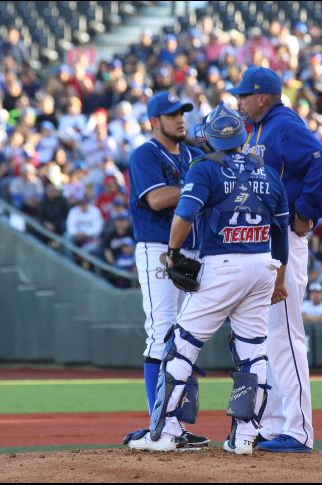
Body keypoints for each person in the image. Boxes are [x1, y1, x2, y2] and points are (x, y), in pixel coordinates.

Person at [125, 103, 289, 455]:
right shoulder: (267, 171)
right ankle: (244, 436)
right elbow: (282, 232)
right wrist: (280, 279)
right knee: (253, 353)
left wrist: (171, 252)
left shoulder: (203, 166)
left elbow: (184, 214)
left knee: (180, 346)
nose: (181, 120)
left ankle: (166, 431)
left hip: (222, 265)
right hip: (263, 266)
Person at [229, 66, 322, 453]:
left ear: (263, 97)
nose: (238, 101)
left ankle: (299, 430)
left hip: (286, 240)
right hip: (264, 240)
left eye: (243, 95)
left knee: (285, 336)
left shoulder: (283, 124)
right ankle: (274, 424)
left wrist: (307, 210)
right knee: (267, 337)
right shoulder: (258, 128)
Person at [127, 91, 208, 449]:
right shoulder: (145, 154)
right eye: (172, 114)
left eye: (183, 112)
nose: (180, 118)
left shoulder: (193, 154)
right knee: (161, 332)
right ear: (154, 122)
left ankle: (176, 425)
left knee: (186, 337)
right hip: (158, 248)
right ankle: (159, 421)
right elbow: (156, 199)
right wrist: (199, 186)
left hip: (194, 249)